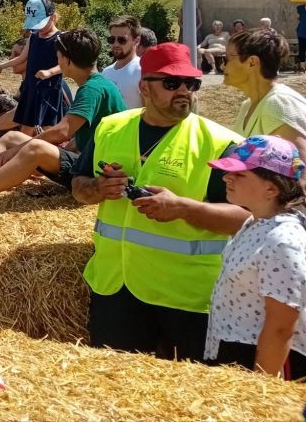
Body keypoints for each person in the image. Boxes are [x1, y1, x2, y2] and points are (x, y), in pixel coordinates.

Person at [70, 42, 249, 360]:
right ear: (144, 87)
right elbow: (77, 186)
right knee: (114, 383)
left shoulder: (222, 144)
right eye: (171, 83)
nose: (184, 91)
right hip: (115, 289)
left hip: (186, 299)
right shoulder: (110, 128)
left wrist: (183, 208)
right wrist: (98, 189)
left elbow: (248, 219)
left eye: (191, 84)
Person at [0, 29, 125, 217]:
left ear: (67, 59)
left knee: (34, 147)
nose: (56, 61)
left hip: (91, 176)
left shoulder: (92, 89)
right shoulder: (98, 85)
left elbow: (63, 131)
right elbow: (84, 138)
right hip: (90, 164)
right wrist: (44, 156)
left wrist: (19, 151)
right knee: (13, 137)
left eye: (58, 56)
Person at [205, 135, 306, 379]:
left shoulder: (283, 239)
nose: (226, 178)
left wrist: (261, 387)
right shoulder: (254, 223)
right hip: (235, 349)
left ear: (271, 188)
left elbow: (281, 327)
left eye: (240, 174)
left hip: (259, 359)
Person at [225, 29, 306, 152]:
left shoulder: (278, 104)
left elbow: (300, 162)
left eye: (227, 58)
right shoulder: (247, 106)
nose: (222, 66)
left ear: (252, 62)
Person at [0, 0, 66, 135]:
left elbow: (66, 65)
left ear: (52, 17)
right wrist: (4, 65)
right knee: (26, 128)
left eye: (40, 23)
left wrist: (50, 72)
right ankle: (24, 147)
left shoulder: (60, 38)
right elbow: (22, 58)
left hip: (49, 91)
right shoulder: (33, 37)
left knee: (46, 130)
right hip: (31, 88)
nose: (37, 28)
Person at [101, 15, 143, 109]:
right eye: (112, 39)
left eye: (122, 40)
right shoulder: (106, 72)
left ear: (136, 41)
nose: (115, 44)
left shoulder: (142, 71)